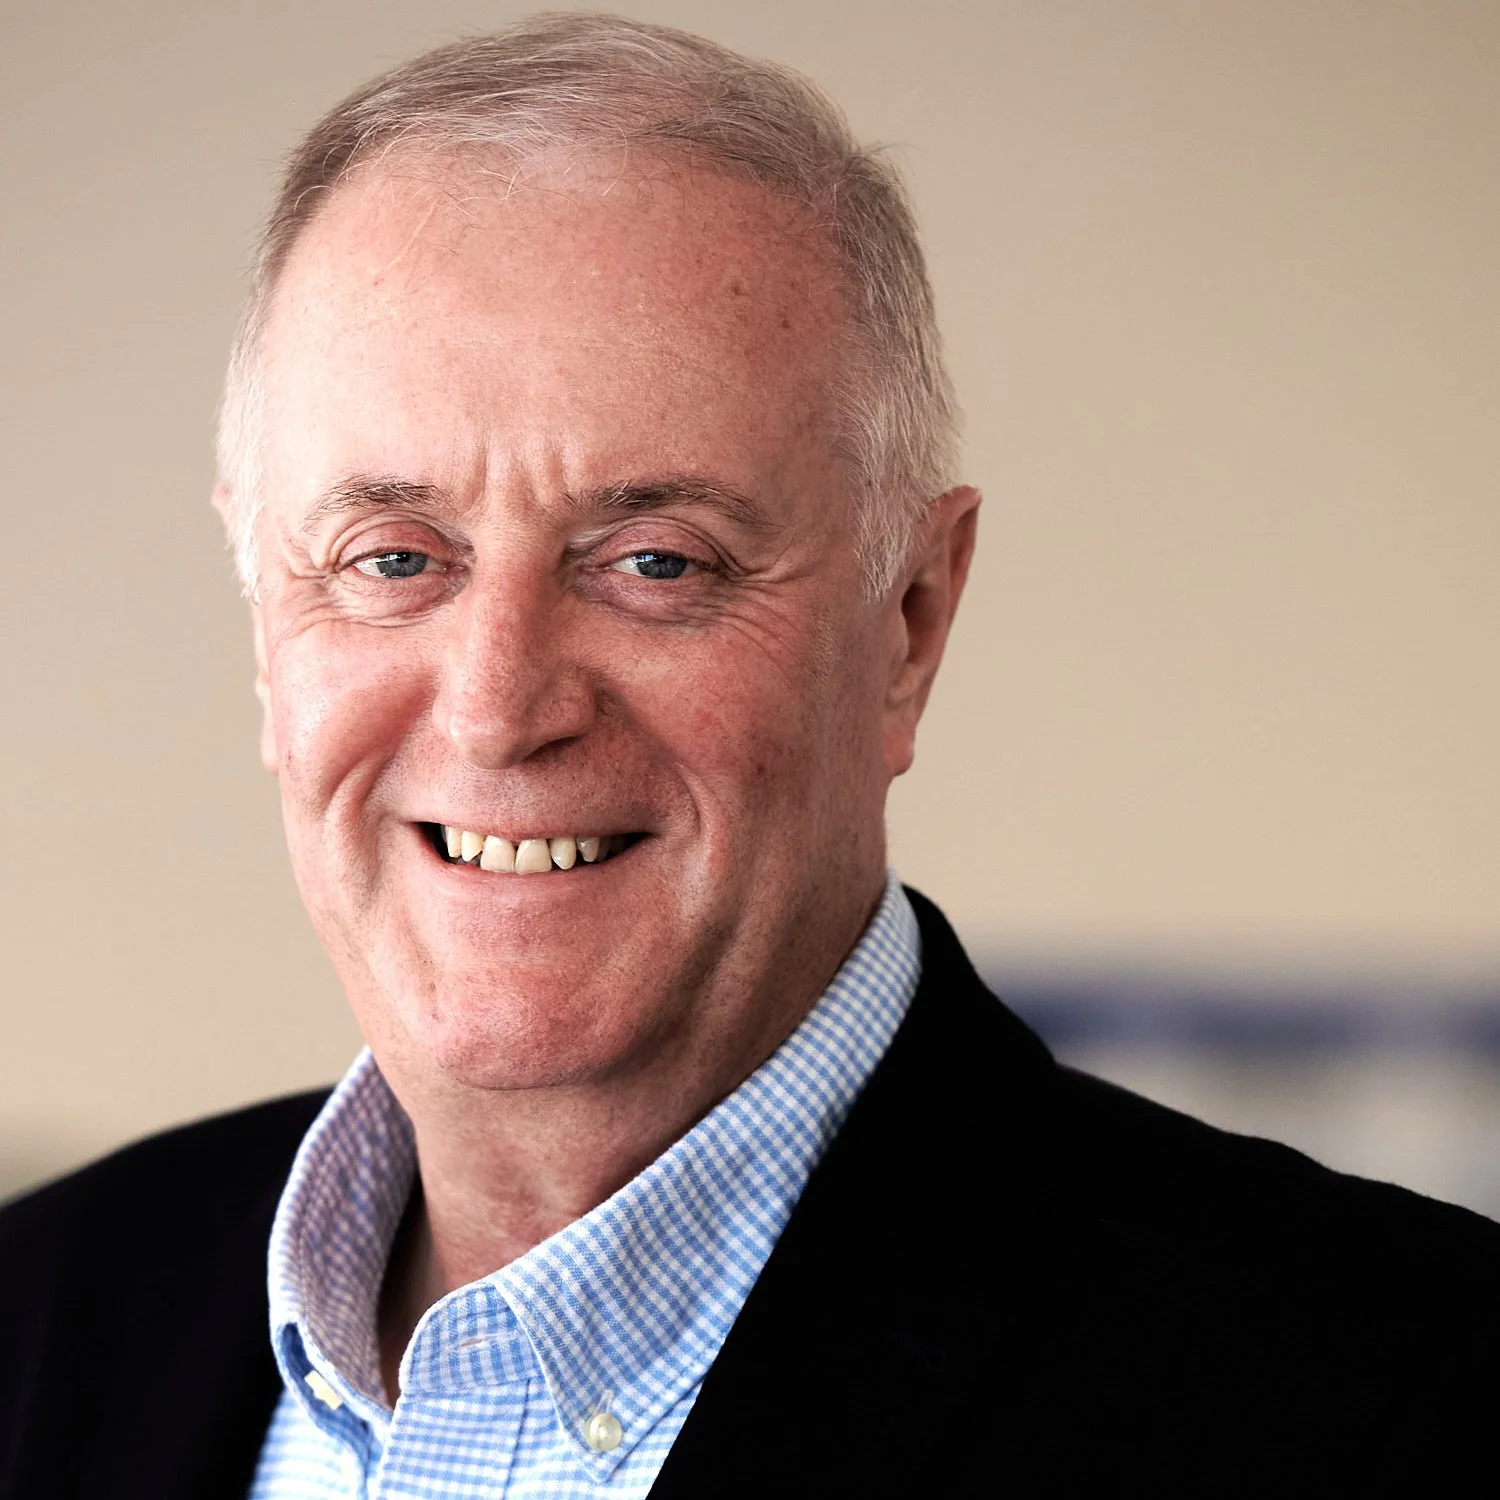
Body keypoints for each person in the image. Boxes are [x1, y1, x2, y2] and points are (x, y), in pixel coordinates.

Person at [1, 13, 1494, 1498]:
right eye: (393, 559)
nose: (498, 707)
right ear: (265, 620)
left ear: (909, 621)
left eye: (657, 562)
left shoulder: (1402, 1399)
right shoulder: (38, 1320)